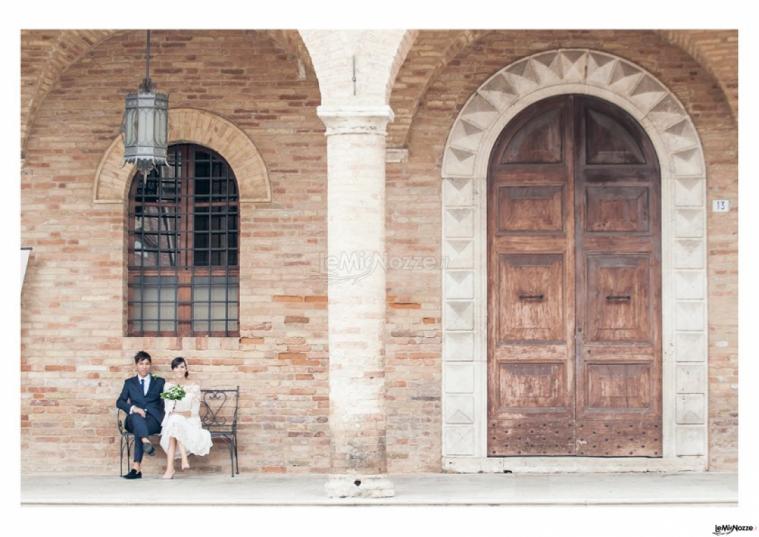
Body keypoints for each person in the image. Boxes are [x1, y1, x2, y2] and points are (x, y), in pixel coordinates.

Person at [160, 357, 213, 479]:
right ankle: (183, 459)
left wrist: (178, 414)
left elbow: (193, 412)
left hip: (190, 421)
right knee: (174, 422)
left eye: (182, 366)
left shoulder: (194, 387)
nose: (179, 369)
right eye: (176, 367)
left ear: (186, 369)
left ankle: (170, 469)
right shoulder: (168, 386)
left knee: (175, 422)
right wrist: (176, 413)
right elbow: (168, 409)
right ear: (173, 369)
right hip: (173, 420)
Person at [116, 351, 165, 479]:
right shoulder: (129, 383)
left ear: (150, 365)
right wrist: (133, 408)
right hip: (133, 419)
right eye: (141, 363)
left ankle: (136, 468)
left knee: (140, 428)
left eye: (147, 363)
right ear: (136, 365)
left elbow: (165, 402)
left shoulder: (159, 381)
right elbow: (119, 402)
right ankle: (145, 440)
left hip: (153, 420)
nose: (144, 366)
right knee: (137, 418)